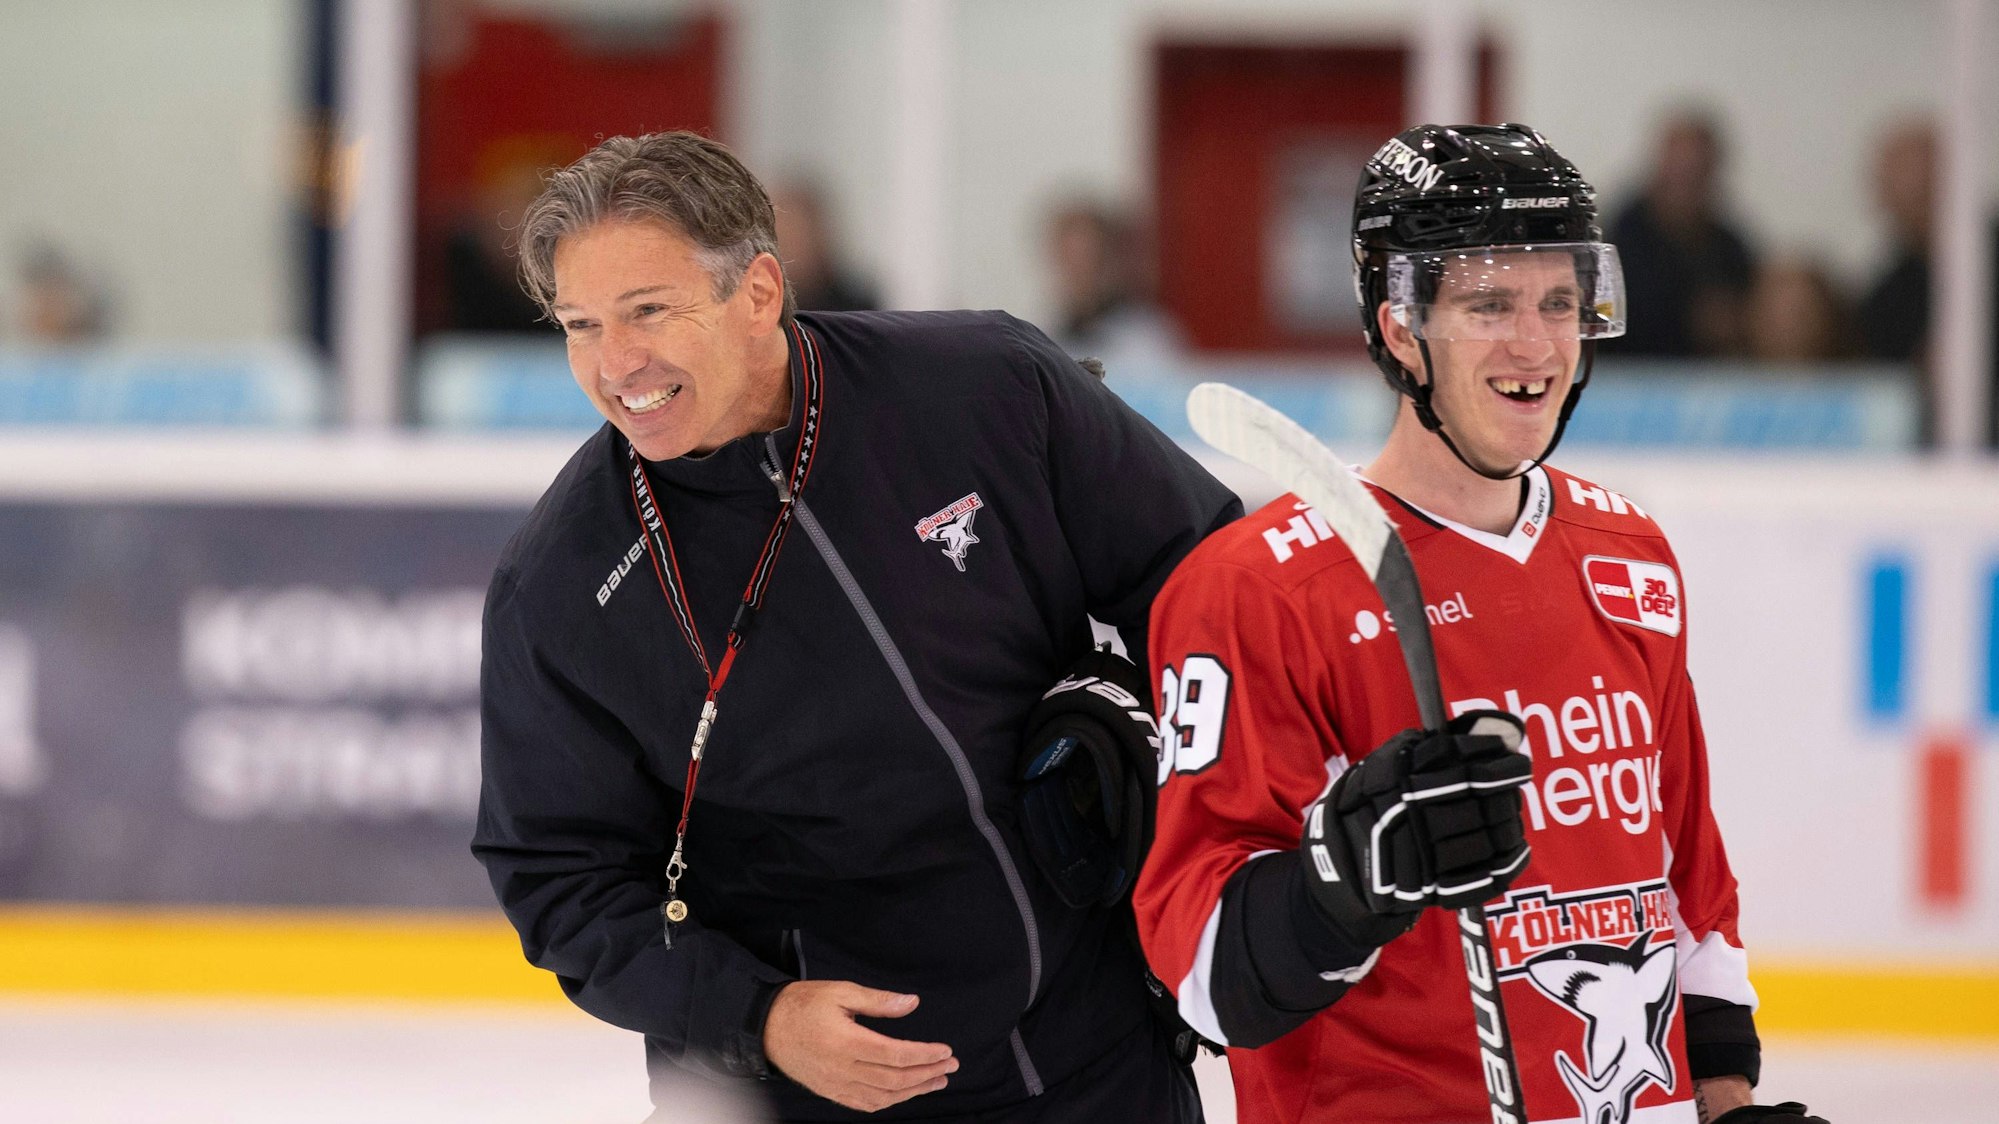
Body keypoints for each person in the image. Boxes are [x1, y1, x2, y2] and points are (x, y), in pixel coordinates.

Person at [472, 131, 1236, 1122]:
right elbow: (558, 878)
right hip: (802, 1089)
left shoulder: (985, 389)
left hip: (1091, 1055)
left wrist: (1192, 783)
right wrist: (763, 1013)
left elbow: (1212, 588)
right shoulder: (563, 582)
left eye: (647, 310)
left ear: (755, 291)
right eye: (581, 324)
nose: (616, 362)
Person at [1134, 124, 1827, 1124]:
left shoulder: (1625, 549)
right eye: (1489, 304)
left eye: (1557, 301)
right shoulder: (1257, 589)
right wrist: (1343, 883)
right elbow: (1201, 971)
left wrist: (1720, 1097)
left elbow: (1683, 867)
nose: (1535, 344)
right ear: (1402, 327)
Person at [1606, 109, 1757, 358]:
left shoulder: (1730, 247)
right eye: (1678, 169)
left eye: (1695, 171)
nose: (1685, 180)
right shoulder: (1616, 242)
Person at [770, 178, 881, 312]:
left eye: (795, 235)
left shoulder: (855, 305)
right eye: (782, 239)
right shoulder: (763, 304)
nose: (786, 251)